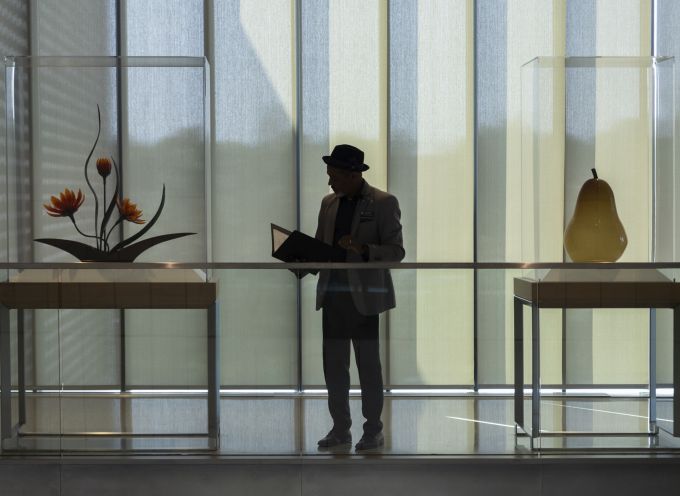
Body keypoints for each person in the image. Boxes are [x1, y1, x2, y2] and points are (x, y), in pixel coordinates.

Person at [314, 144, 405, 451]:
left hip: (365, 300)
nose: (330, 182)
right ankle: (341, 430)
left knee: (368, 367)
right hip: (332, 298)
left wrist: (364, 250)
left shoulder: (383, 203)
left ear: (352, 174)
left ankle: (373, 431)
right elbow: (320, 248)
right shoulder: (328, 204)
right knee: (334, 367)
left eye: (334, 176)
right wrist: (299, 257)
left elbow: (396, 253)